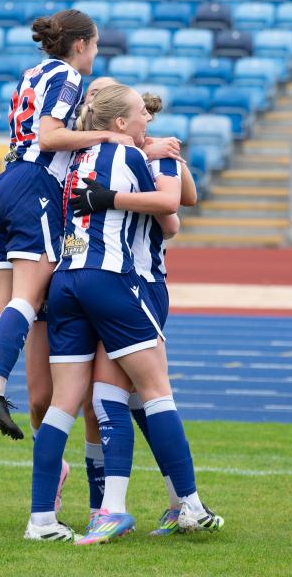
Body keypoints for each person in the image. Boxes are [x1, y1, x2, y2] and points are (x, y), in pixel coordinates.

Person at [24, 84, 224, 543]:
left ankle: (48, 518)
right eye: (138, 115)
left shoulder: (75, 158)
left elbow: (175, 197)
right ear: (118, 122)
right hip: (121, 280)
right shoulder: (137, 155)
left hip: (67, 280)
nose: (145, 122)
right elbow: (171, 217)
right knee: (152, 393)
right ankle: (182, 502)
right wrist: (144, 164)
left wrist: (159, 158)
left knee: (79, 401)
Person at [0, 9, 135, 442]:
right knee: (29, 294)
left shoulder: (31, 72)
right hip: (34, 185)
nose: (95, 53)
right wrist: (107, 136)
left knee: (4, 306)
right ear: (80, 44)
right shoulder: (68, 76)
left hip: (3, 184)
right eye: (94, 45)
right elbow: (50, 137)